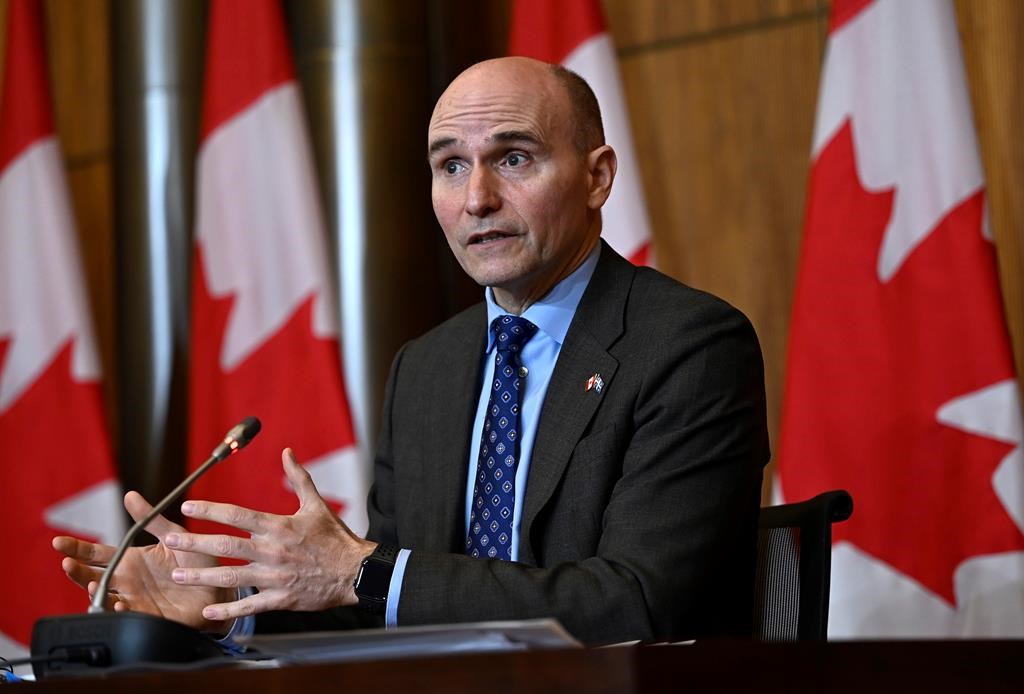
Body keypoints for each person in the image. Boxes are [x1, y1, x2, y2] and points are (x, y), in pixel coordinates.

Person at [54, 57, 769, 644]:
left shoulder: (689, 347)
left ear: (597, 177)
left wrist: (363, 571)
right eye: (450, 166)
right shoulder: (428, 369)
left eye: (513, 158)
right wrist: (232, 598)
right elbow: (387, 603)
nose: (477, 198)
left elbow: (636, 603)